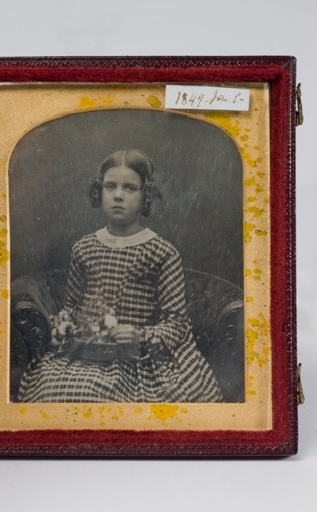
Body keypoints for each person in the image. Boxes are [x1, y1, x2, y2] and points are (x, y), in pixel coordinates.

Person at [18, 149, 222, 403]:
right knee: (56, 391)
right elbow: (72, 306)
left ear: (145, 195)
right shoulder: (84, 248)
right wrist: (63, 325)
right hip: (89, 351)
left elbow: (176, 323)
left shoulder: (161, 252)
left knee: (105, 396)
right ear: (99, 192)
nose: (117, 196)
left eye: (130, 188)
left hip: (142, 361)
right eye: (110, 186)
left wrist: (141, 336)